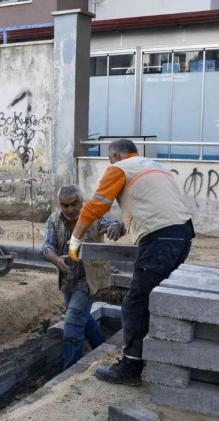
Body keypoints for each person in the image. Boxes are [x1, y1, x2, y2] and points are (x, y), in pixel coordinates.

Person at [68, 139, 194, 386]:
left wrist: (75, 240)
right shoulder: (155, 167)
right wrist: (124, 226)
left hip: (160, 237)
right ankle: (157, 357)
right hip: (182, 234)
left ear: (115, 155)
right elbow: (149, 206)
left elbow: (96, 207)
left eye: (109, 159)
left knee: (135, 303)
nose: (109, 163)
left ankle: (130, 368)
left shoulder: (120, 168)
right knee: (157, 298)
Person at [41, 184, 125, 370]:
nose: (70, 209)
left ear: (81, 202)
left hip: (89, 279)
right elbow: (46, 247)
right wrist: (55, 259)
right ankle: (103, 349)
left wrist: (117, 228)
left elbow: (113, 224)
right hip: (67, 278)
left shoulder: (93, 215)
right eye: (65, 205)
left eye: (74, 204)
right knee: (83, 318)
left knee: (72, 323)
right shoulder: (54, 220)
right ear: (60, 205)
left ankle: (70, 370)